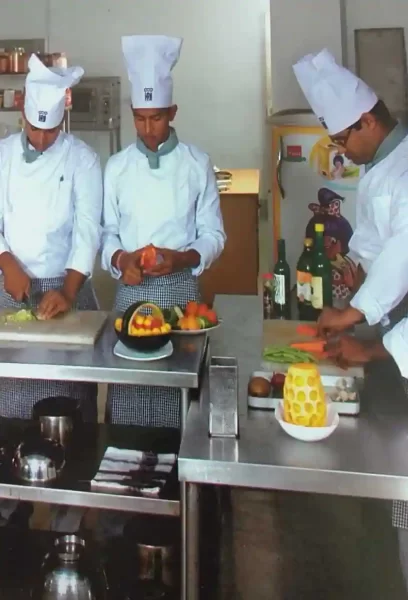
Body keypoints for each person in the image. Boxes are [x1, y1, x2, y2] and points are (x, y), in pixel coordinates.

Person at [327, 66, 408, 599]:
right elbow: (379, 246)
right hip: (406, 325)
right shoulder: (384, 169)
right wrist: (357, 287)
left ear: (367, 122)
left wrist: (364, 331)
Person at [101, 35, 225, 428]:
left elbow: (214, 235)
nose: (147, 128)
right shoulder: (117, 168)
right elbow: (107, 233)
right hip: (131, 296)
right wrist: (122, 259)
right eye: (139, 118)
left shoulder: (196, 164)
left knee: (180, 402)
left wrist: (181, 258)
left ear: (172, 112)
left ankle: (183, 465)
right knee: (130, 405)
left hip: (181, 300)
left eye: (155, 118)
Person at [0, 54, 102, 526]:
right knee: (9, 405)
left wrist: (68, 287)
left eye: (51, 131)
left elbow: (88, 229)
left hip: (67, 291)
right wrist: (5, 261)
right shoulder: (2, 155)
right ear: (21, 111)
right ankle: (9, 514)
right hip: (11, 287)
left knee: (66, 407)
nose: (42, 141)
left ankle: (69, 520)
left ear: (63, 118)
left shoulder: (82, 159)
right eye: (34, 130)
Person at [293, 49, 408, 338]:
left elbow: (405, 250)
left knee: (406, 363)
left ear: (368, 121)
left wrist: (353, 312)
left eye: (342, 140)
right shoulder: (377, 162)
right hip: (378, 300)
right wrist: (356, 282)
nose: (342, 151)